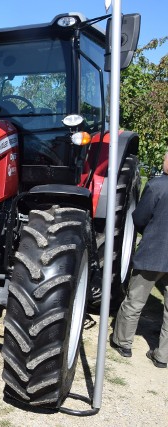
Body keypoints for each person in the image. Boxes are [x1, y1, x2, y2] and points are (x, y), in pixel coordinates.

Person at [111, 150, 168, 369]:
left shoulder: (156, 186)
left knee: (134, 301)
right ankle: (162, 356)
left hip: (152, 255)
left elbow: (140, 218)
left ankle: (123, 343)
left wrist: (149, 232)